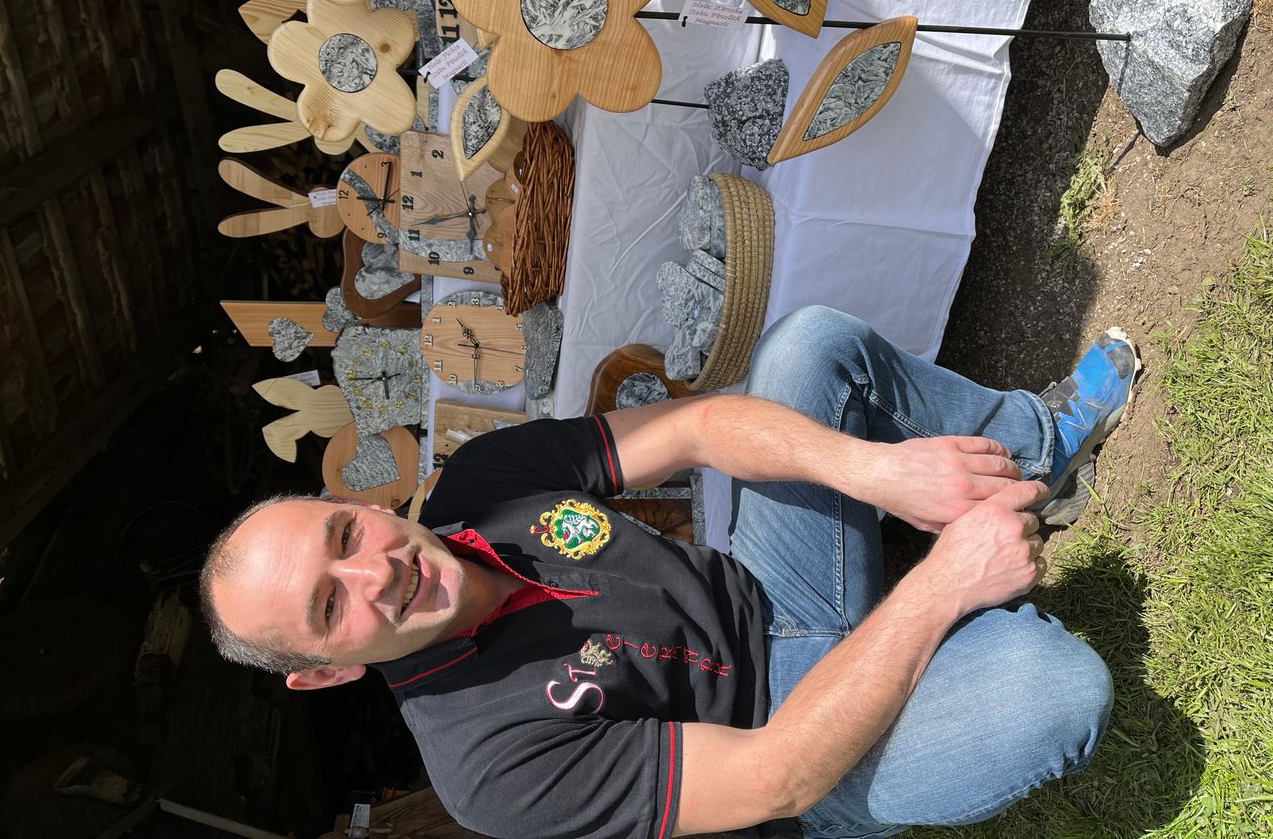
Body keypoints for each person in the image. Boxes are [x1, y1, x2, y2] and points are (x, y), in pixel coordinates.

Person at [200, 307, 1138, 839]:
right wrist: (940, 583)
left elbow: (694, 428)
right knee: (1052, 687)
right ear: (325, 672)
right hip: (792, 746)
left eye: (342, 536)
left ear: (360, 504)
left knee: (807, 347)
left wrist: (875, 470)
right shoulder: (484, 770)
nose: (378, 572)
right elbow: (776, 778)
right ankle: (962, 627)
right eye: (332, 606)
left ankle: (1038, 452)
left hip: (773, 595)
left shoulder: (477, 486)